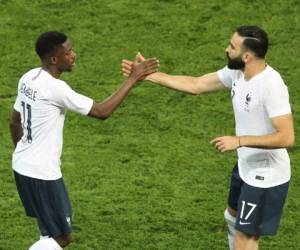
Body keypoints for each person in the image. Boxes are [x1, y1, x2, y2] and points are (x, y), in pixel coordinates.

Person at [122, 26, 294, 250]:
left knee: (246, 238)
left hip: (266, 175)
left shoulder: (272, 86)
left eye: (232, 47)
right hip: (245, 165)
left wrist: (239, 140)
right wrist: (147, 75)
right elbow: (197, 84)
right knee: (232, 218)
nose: (226, 49)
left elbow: (287, 137)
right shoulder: (238, 72)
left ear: (247, 56)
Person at [9, 31, 158, 250]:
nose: (74, 55)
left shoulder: (28, 78)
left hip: (22, 166)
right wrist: (133, 78)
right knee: (61, 237)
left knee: (48, 232)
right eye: (68, 52)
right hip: (42, 174)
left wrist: (26, 154)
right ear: (54, 59)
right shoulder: (55, 88)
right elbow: (101, 111)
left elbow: (14, 122)